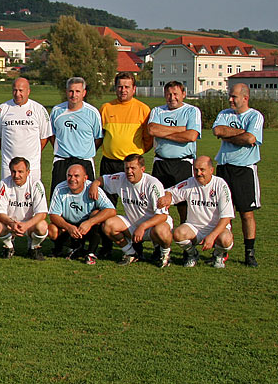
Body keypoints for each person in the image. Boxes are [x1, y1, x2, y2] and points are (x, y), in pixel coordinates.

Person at [90, 154, 173, 267]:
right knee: (108, 225)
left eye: (133, 168)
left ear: (142, 169)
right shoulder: (121, 178)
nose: (129, 171)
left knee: (161, 230)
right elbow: (103, 179)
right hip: (133, 224)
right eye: (126, 168)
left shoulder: (153, 184)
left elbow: (162, 215)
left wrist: (143, 226)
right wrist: (95, 184)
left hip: (153, 225)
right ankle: (131, 253)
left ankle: (165, 254)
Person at [212, 83, 262, 267]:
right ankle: (221, 250)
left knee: (246, 214)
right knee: (222, 213)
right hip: (224, 168)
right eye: (230, 96)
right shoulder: (224, 114)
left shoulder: (255, 116)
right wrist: (241, 134)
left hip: (244, 169)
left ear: (245, 98)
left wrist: (229, 136)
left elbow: (251, 139)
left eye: (234, 97)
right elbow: (217, 131)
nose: (230, 100)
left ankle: (249, 253)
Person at [157, 156, 235, 269]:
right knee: (178, 233)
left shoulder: (220, 185)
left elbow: (226, 218)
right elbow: (170, 191)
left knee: (226, 239)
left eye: (202, 170)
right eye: (195, 170)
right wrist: (168, 196)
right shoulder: (190, 183)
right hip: (195, 227)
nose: (198, 173)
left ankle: (218, 255)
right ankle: (192, 254)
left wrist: (212, 236)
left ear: (211, 170)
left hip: (216, 228)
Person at [147, 81, 201, 224]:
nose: (172, 97)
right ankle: (161, 242)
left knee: (183, 204)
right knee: (159, 202)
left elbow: (191, 136)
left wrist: (163, 132)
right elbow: (152, 130)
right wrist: (181, 129)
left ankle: (186, 238)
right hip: (161, 163)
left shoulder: (192, 111)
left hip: (183, 163)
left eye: (176, 94)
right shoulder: (157, 111)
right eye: (169, 94)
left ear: (183, 94)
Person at [47, 164, 116, 263]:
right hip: (69, 226)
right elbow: (53, 215)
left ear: (85, 178)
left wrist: (90, 222)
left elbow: (111, 210)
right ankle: (61, 249)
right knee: (52, 229)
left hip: (87, 227)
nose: (72, 179)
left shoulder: (91, 188)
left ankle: (90, 253)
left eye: (76, 176)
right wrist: (68, 227)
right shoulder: (60, 188)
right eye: (69, 176)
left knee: (96, 214)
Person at [0, 77, 52, 180]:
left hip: (32, 166)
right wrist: (8, 149)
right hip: (8, 166)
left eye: (21, 90)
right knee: (9, 195)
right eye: (15, 90)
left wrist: (33, 153)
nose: (17, 94)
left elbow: (45, 137)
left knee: (31, 195)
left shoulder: (39, 109)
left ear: (28, 91)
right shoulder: (2, 109)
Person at [99, 72, 153, 186]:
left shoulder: (143, 109)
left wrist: (137, 154)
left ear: (134, 89)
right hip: (109, 163)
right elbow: (100, 135)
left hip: (132, 164)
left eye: (127, 87)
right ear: (115, 88)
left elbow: (148, 139)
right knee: (107, 200)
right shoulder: (106, 108)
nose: (123, 90)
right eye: (120, 87)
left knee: (133, 199)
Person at [49, 76, 102, 189]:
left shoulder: (93, 113)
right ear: (66, 92)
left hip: (84, 161)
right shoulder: (56, 111)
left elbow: (98, 138)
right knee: (58, 197)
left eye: (77, 91)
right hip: (61, 161)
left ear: (84, 92)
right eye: (71, 91)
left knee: (87, 200)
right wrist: (62, 149)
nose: (74, 95)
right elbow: (52, 135)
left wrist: (85, 151)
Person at [0, 156, 48, 261]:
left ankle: (34, 248)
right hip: (11, 225)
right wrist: (12, 224)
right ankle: (9, 247)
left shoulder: (36, 184)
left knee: (42, 226)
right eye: (13, 171)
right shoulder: (4, 184)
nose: (16, 175)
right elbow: (0, 213)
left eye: (20, 172)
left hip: (30, 225)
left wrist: (26, 225)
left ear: (28, 172)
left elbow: (42, 214)